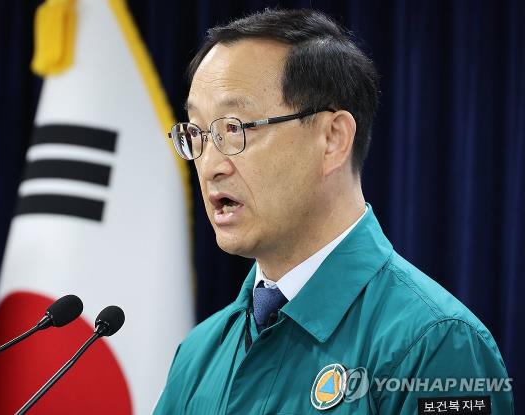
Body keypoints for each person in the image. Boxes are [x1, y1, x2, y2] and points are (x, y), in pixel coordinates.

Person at [154, 9, 514, 414]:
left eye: (234, 128)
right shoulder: (198, 354)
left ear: (332, 138)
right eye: (198, 133)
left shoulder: (434, 344)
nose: (210, 164)